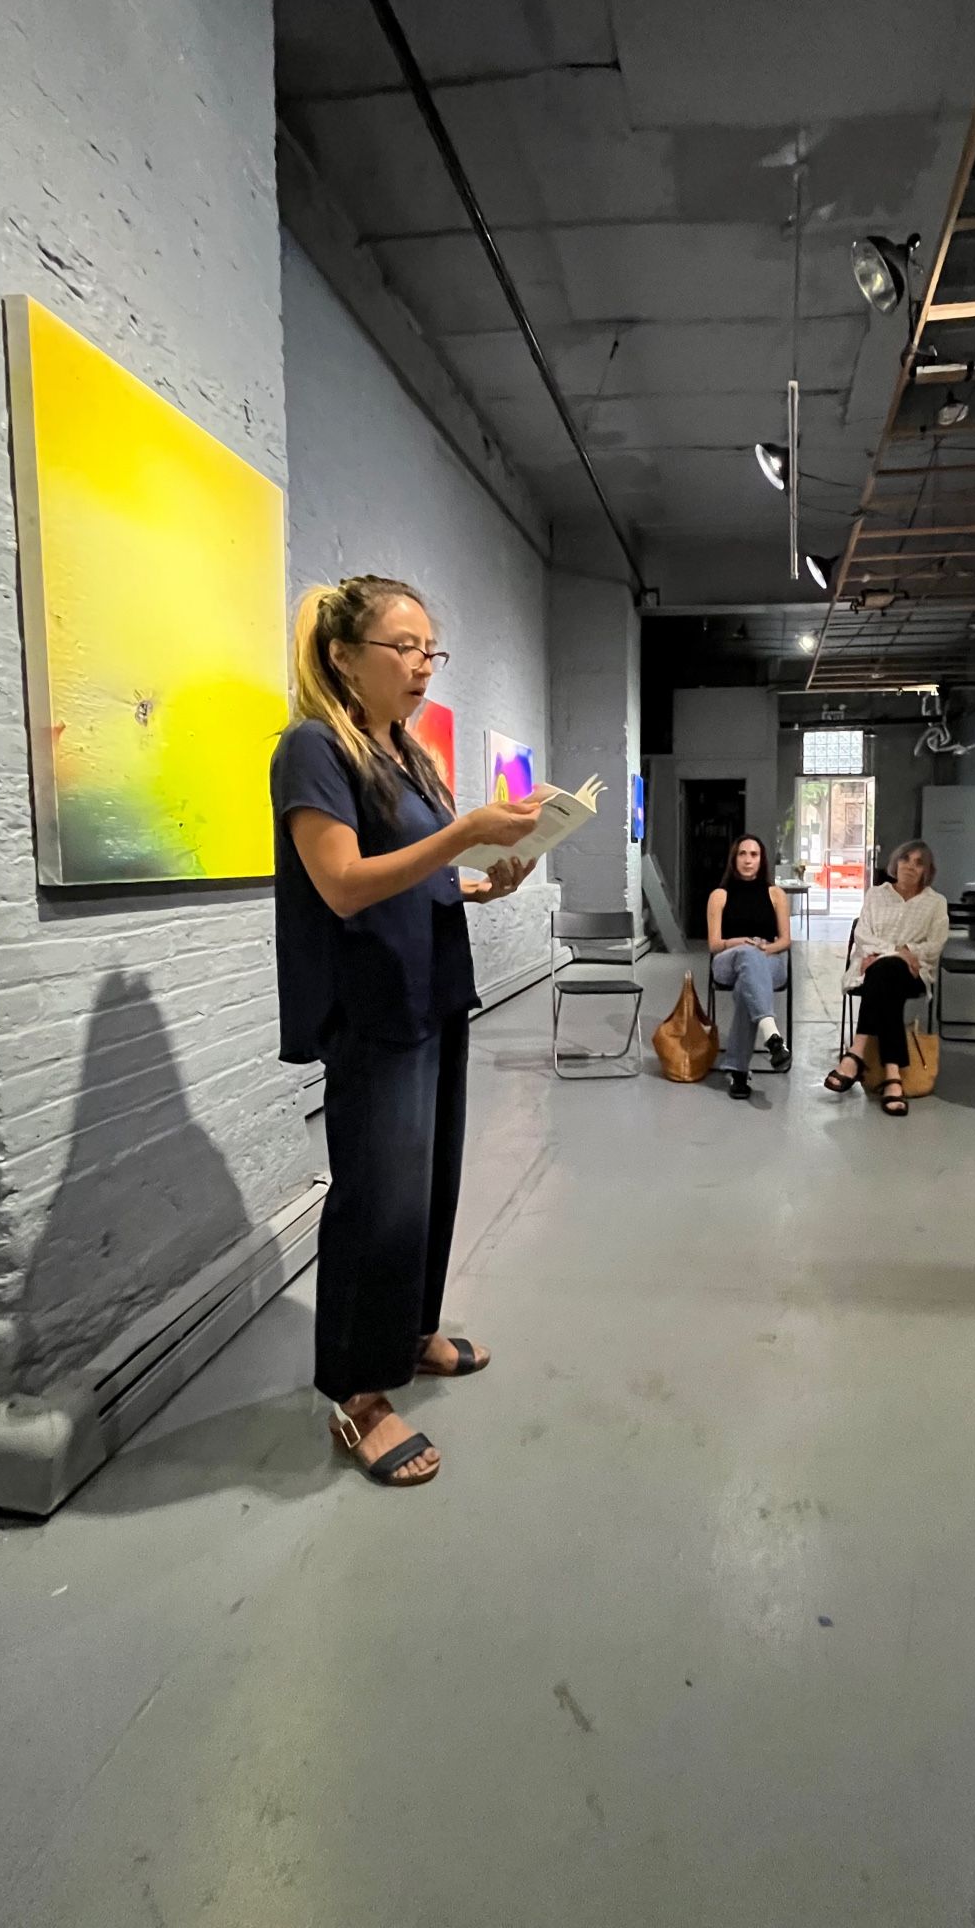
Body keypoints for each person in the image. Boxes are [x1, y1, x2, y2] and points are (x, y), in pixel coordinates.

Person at [271, 575, 540, 1489]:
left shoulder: (404, 752)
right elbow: (343, 883)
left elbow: (408, 875)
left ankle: (410, 1332)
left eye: (432, 649)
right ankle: (359, 1393)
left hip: (432, 988)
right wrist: (464, 830)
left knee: (430, 1185)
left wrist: (474, 880)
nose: (424, 664)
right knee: (374, 1197)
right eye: (406, 647)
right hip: (373, 1004)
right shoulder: (313, 749)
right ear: (345, 657)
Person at [824, 840, 949, 1118]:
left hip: (913, 973)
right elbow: (863, 934)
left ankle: (855, 1054)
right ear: (896, 862)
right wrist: (898, 953)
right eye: (906, 860)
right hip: (875, 970)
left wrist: (897, 956)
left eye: (919, 863)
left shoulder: (935, 903)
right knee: (885, 979)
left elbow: (935, 944)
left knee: (885, 973)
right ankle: (893, 1075)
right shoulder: (876, 894)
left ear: (927, 870)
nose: (910, 867)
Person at [707, 834, 792, 1101]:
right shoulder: (719, 895)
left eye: (754, 855)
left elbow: (785, 941)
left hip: (770, 959)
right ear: (734, 859)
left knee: (749, 983)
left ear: (761, 860)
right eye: (742, 854)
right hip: (728, 958)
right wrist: (741, 943)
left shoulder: (776, 894)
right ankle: (772, 1034)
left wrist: (764, 949)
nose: (747, 860)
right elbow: (714, 944)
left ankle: (739, 1071)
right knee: (747, 955)